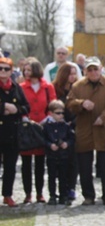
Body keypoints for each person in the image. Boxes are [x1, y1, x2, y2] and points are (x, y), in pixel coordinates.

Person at [66, 57, 105, 207]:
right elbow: (69, 103)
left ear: (101, 69)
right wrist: (81, 103)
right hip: (85, 129)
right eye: (89, 69)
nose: (93, 72)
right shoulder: (78, 86)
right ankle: (88, 195)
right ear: (84, 71)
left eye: (95, 69)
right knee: (84, 165)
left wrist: (104, 118)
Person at [19, 57, 57, 203]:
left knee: (40, 162)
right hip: (27, 126)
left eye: (29, 69)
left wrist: (47, 118)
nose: (26, 72)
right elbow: (20, 103)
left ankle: (40, 193)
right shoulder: (21, 87)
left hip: (42, 126)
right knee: (26, 162)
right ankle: (27, 192)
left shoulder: (48, 87)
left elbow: (52, 104)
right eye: (25, 70)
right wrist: (24, 117)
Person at [0, 56, 30, 207]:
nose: (3, 72)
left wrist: (15, 109)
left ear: (11, 71)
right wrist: (3, 108)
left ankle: (7, 194)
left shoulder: (16, 88)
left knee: (10, 167)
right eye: (0, 68)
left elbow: (26, 107)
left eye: (6, 69)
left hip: (12, 133)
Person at [52, 61, 81, 199]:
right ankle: (60, 188)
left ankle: (71, 188)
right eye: (70, 74)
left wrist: (73, 122)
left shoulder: (77, 89)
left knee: (73, 161)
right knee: (58, 161)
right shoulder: (55, 89)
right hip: (57, 127)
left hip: (73, 127)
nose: (73, 77)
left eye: (75, 74)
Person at [42, 100, 75, 206]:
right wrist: (50, 145)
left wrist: (66, 144)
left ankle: (63, 195)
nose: (61, 115)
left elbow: (72, 138)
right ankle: (52, 195)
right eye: (58, 113)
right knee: (51, 177)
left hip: (63, 156)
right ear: (51, 113)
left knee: (63, 176)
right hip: (52, 156)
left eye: (62, 113)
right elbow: (43, 139)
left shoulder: (65, 126)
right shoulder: (46, 126)